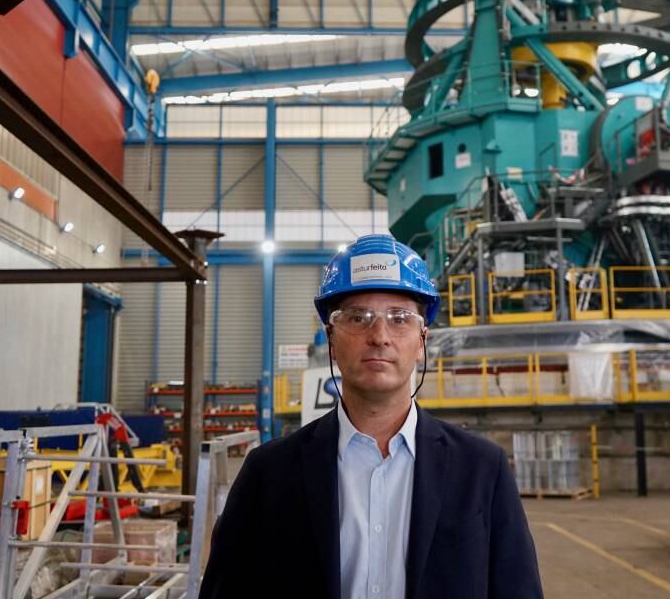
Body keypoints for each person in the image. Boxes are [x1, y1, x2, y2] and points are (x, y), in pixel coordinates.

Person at [199, 234, 543, 599]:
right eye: (358, 318)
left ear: (422, 341)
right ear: (331, 338)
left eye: (399, 319)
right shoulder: (267, 472)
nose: (379, 336)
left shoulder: (481, 468)